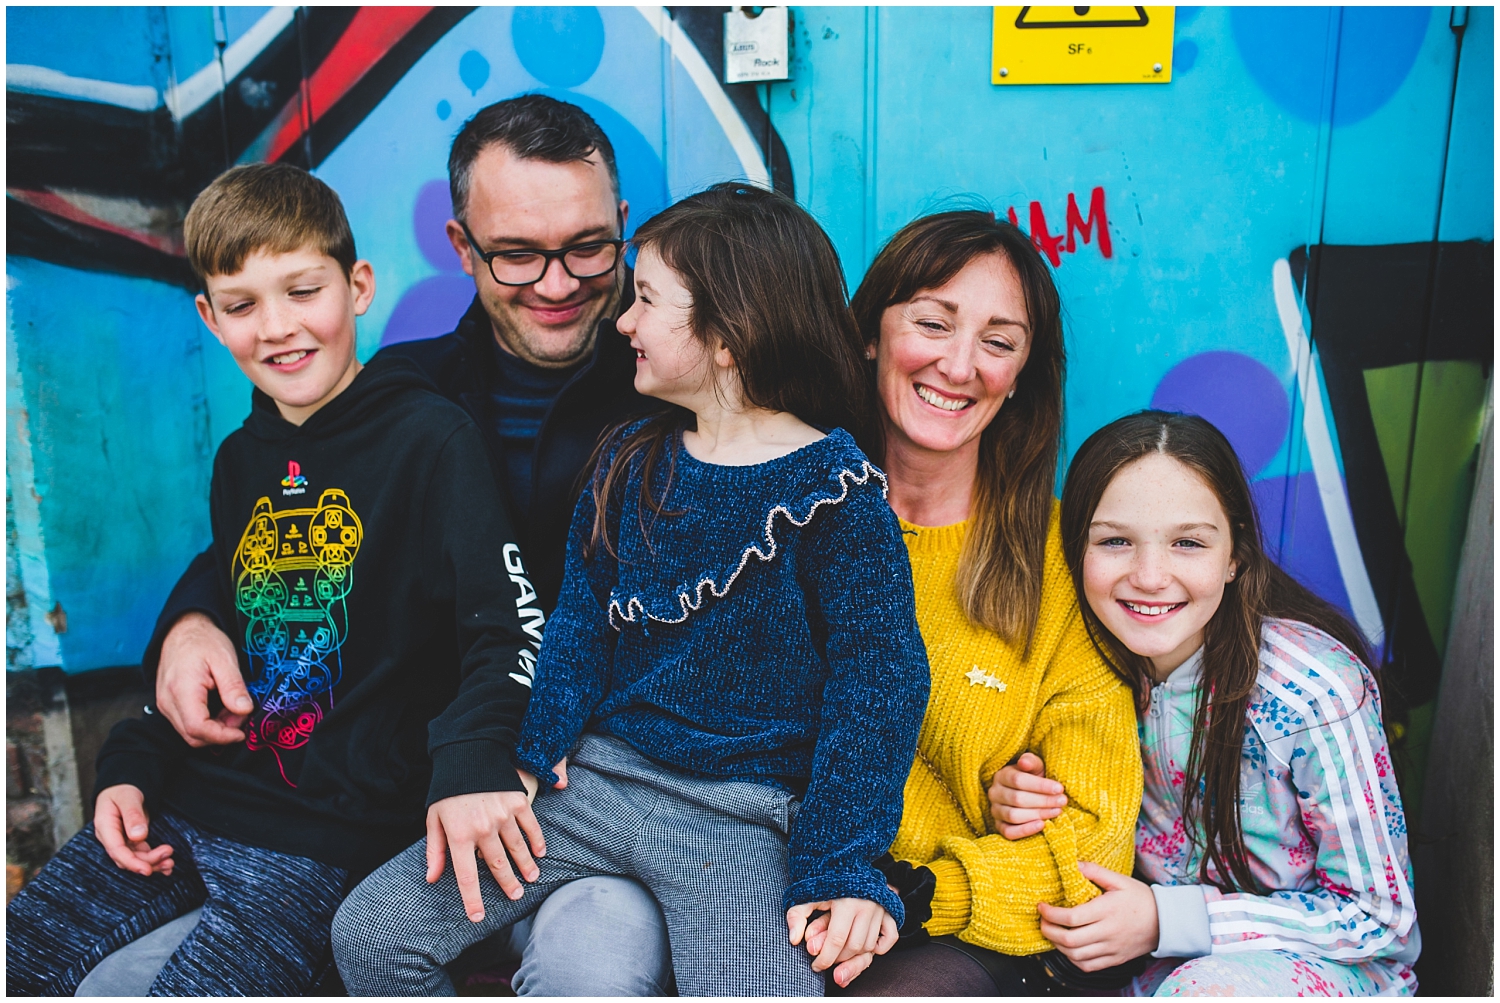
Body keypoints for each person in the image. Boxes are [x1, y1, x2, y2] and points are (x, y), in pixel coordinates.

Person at [125, 96, 670, 995]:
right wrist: (190, 618)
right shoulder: (401, 393)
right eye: (516, 254)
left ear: (622, 229)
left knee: (589, 970)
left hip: (610, 797)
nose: (559, 281)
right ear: (461, 248)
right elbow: (270, 525)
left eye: (586, 246)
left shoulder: (672, 389)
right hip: (426, 804)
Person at [331, 183, 932, 996]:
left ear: (729, 337)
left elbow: (879, 688)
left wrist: (838, 863)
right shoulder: (628, 463)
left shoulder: (837, 494)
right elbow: (576, 629)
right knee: (371, 936)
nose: (623, 322)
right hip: (592, 790)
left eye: (645, 300)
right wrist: (529, 756)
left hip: (739, 824)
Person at [5, 164, 539, 995]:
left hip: (325, 838)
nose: (280, 327)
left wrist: (474, 759)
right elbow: (224, 611)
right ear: (209, 318)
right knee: (23, 956)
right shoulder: (241, 460)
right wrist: (129, 761)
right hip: (192, 799)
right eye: (244, 304)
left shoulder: (434, 441)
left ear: (357, 287)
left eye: (302, 290)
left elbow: (508, 627)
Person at [820, 210, 1144, 995]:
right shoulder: (795, 521)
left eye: (999, 342)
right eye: (932, 322)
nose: (960, 364)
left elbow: (1092, 846)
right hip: (777, 883)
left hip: (956, 930)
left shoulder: (1064, 559)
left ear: (1024, 372)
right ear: (870, 334)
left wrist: (931, 888)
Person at [988, 410, 1419, 996]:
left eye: (1187, 543)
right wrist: (1013, 797)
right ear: (1075, 550)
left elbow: (1381, 921)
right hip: (1144, 969)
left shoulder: (1314, 691)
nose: (1149, 576)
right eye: (1115, 541)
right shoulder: (1073, 666)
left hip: (1323, 968)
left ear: (1236, 555)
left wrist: (1171, 920)